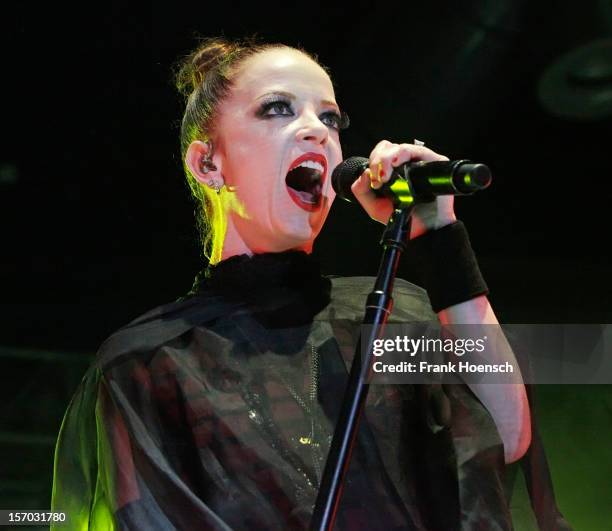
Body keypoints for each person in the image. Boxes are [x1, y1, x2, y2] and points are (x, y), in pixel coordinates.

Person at [51, 37, 570, 530]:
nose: (317, 131)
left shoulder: (395, 315)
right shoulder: (151, 361)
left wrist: (439, 236)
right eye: (277, 108)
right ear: (207, 162)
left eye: (330, 118)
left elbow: (505, 436)